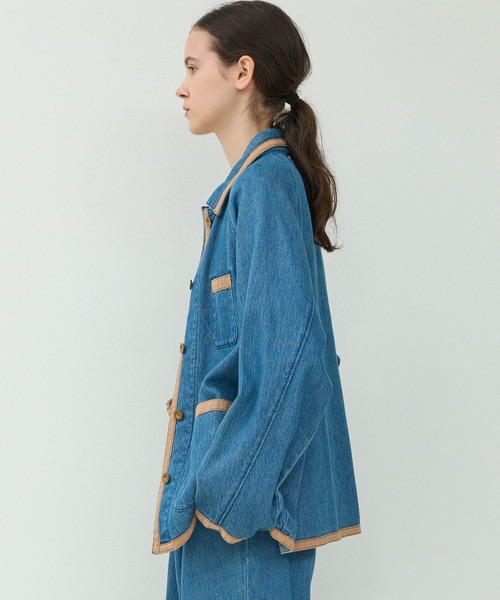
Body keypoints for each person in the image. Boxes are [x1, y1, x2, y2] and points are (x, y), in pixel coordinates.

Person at [151, 2, 361, 598]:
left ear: (242, 72)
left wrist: (229, 495)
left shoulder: (265, 185)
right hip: (221, 507)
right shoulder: (246, 188)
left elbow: (294, 359)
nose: (181, 87)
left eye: (193, 67)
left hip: (242, 518)